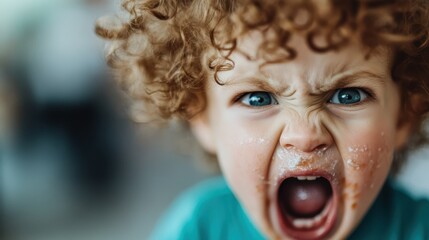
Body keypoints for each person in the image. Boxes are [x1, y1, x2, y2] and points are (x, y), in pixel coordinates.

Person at [96, 0, 429, 239]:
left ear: (404, 115)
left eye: (347, 96)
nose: (304, 136)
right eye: (258, 99)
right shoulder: (196, 229)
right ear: (202, 118)